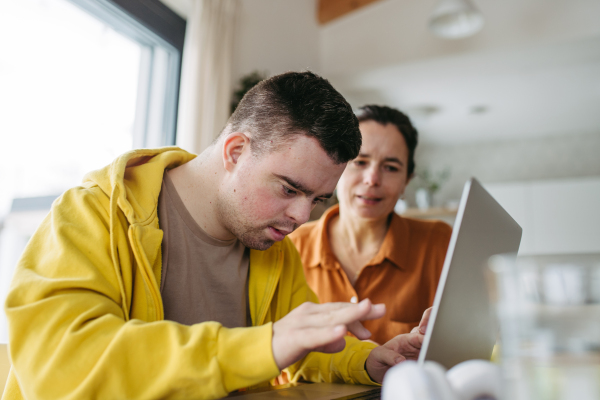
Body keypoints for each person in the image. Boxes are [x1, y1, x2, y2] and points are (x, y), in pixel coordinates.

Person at [3, 73, 430, 400]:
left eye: (317, 199)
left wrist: (368, 360)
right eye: (289, 189)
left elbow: (304, 347)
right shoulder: (91, 213)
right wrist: (261, 345)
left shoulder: (272, 247)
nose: (302, 216)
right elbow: (60, 364)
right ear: (236, 151)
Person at [290, 105, 452, 345]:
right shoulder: (290, 245)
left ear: (406, 180)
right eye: (360, 162)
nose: (372, 179)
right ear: (336, 167)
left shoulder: (440, 243)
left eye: (391, 167)